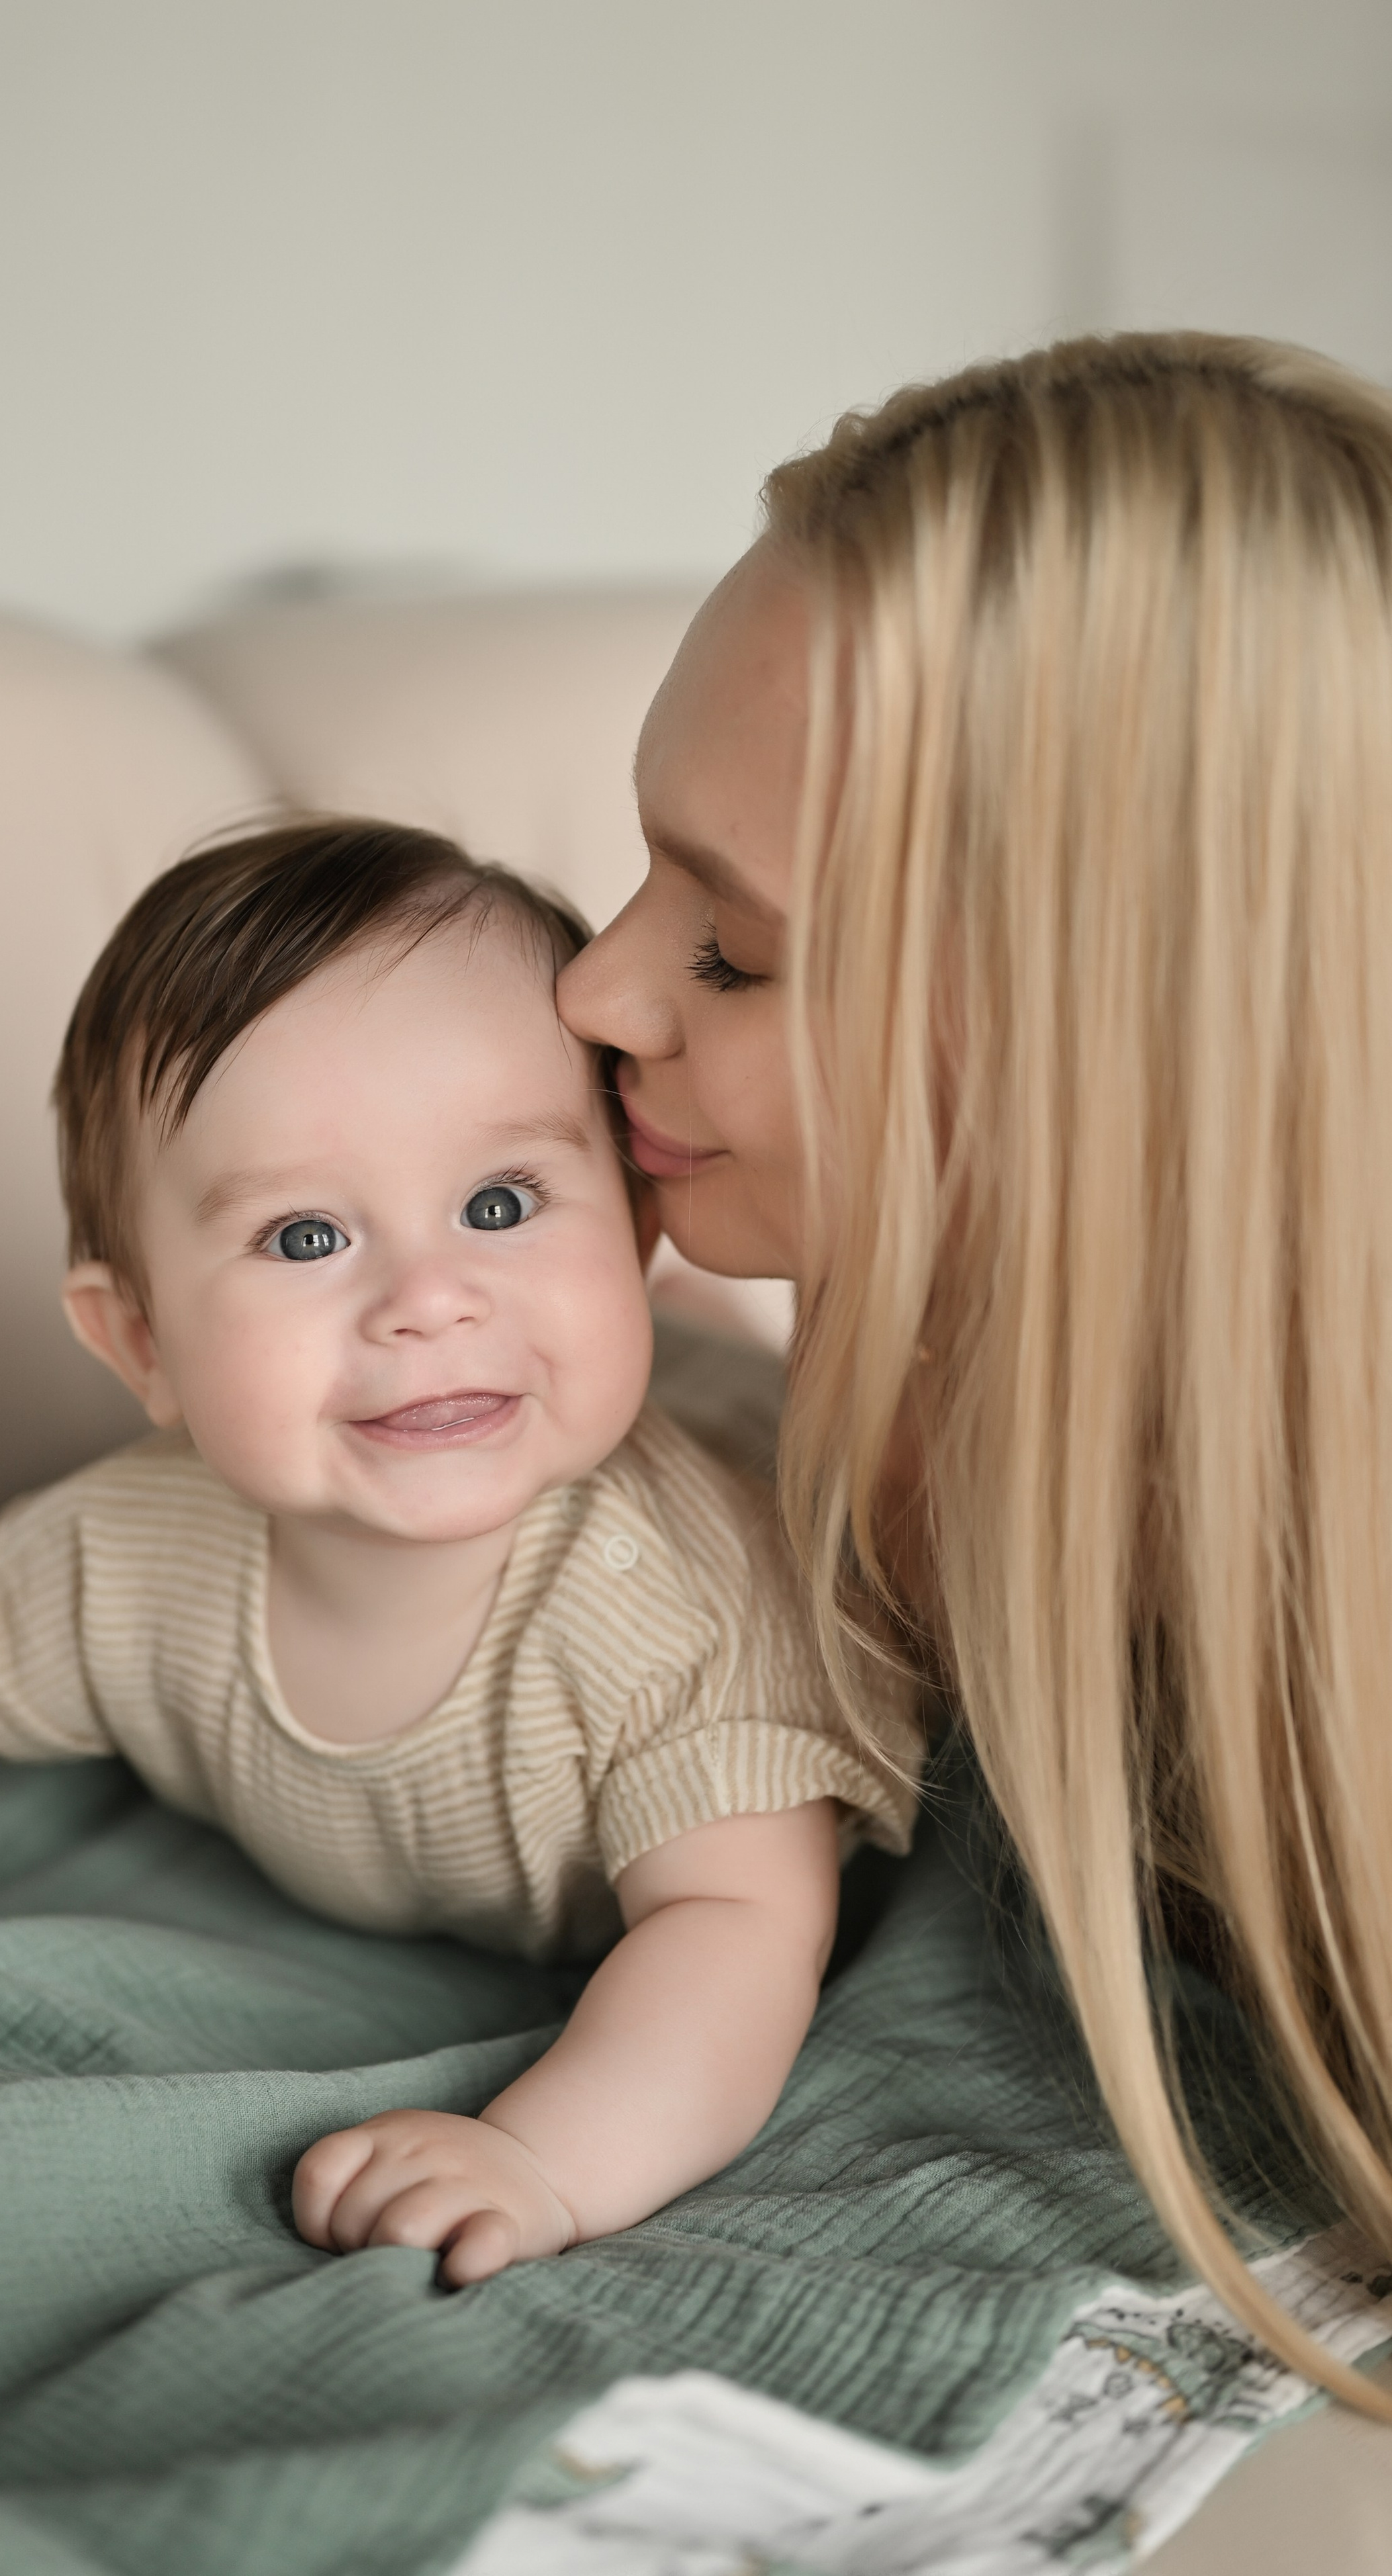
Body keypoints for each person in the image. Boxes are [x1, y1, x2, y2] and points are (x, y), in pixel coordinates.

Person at [0, 818, 916, 2284]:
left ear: (639, 1231)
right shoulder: (137, 1548)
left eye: (500, 1205)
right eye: (308, 1238)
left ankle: (711, 1347)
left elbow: (738, 1931)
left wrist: (542, 2156)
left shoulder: (685, 1622)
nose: (427, 1299)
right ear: (141, 1342)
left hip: (759, 1474)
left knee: (793, 1439)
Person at [558, 329, 1392, 2411]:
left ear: (1122, 1047)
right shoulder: (880, 1393)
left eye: (734, 949)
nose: (594, 983)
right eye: (646, 872)